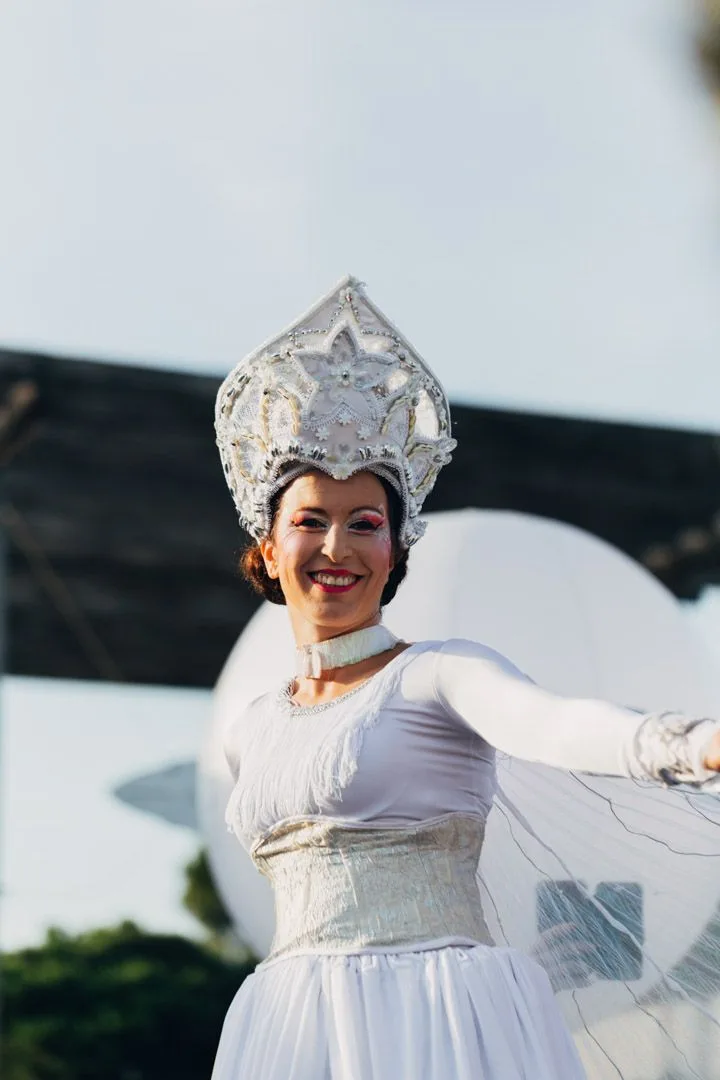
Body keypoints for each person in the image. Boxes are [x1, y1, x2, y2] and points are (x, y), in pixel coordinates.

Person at [210, 276, 720, 1079]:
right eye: (310, 521)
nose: (337, 546)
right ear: (270, 550)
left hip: (435, 1014)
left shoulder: (436, 674)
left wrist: (696, 744)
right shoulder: (251, 727)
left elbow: (556, 726)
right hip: (292, 1020)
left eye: (365, 524)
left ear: (395, 553)